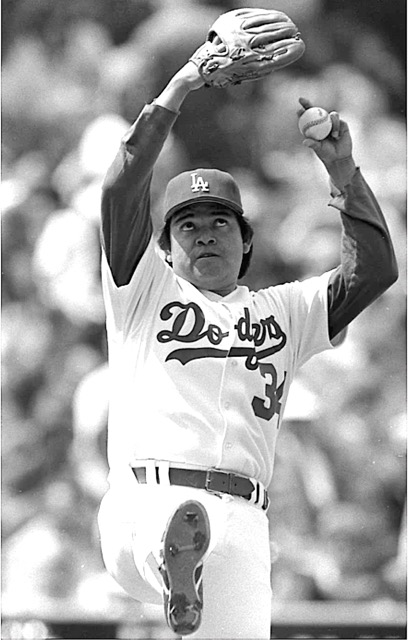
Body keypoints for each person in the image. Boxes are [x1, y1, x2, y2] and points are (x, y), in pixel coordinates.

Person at [97, 57, 398, 639]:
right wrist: (180, 86)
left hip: (242, 522)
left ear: (247, 240)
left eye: (220, 221)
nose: (206, 231)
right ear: (162, 248)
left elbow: (375, 271)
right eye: (187, 224)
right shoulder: (142, 289)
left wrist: (342, 169)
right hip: (147, 497)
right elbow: (123, 183)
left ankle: (176, 559)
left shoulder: (284, 310)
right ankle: (167, 558)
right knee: (162, 535)